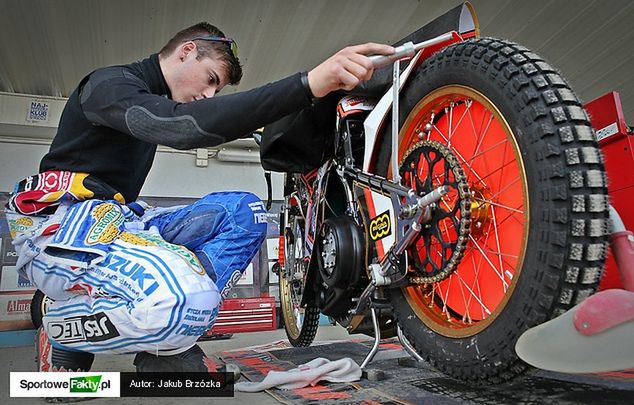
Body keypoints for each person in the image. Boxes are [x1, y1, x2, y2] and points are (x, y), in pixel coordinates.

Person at [6, 22, 393, 373]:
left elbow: (192, 120)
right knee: (182, 299)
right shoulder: (108, 85)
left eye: (216, 91)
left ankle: (168, 346)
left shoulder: (149, 97)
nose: (208, 95)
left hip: (120, 220)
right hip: (57, 226)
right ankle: (60, 322)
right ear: (187, 50)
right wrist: (307, 83)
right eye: (210, 80)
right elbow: (181, 126)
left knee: (247, 213)